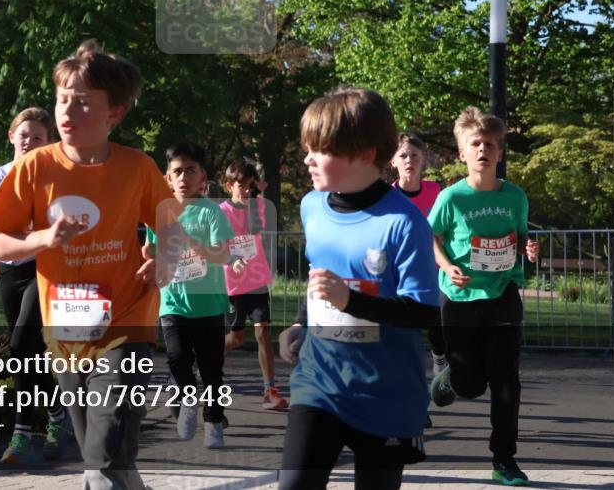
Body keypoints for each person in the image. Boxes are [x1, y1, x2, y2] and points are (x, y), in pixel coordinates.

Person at [0, 40, 187, 490]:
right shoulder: (34, 168)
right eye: (61, 100)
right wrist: (44, 238)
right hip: (67, 330)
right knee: (105, 456)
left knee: (103, 455)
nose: (66, 111)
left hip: (127, 324)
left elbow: (173, 227)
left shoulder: (136, 167)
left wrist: (164, 262)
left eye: (82, 102)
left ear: (114, 113)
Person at [277, 86, 440, 490]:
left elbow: (425, 311)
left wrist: (351, 301)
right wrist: (300, 323)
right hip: (319, 383)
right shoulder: (311, 206)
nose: (307, 159)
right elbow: (322, 278)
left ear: (366, 153)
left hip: (386, 395)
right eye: (307, 147)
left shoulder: (403, 222)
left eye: (320, 149)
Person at [428, 107, 539, 487]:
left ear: (499, 153)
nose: (482, 150)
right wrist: (445, 265)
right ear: (462, 153)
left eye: (489, 144)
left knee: (506, 380)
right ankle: (452, 378)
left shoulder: (515, 197)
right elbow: (432, 237)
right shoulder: (451, 198)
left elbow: (522, 237)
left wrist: (529, 252)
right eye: (475, 144)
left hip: (503, 294)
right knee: (471, 384)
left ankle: (504, 459)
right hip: (460, 298)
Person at [0, 107, 71, 464]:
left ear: (49, 143)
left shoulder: (53, 178)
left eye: (38, 137)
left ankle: (20, 434)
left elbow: (60, 230)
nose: (29, 141)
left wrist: (32, 234)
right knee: (26, 353)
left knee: (19, 345)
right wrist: (23, 229)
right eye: (24, 134)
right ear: (11, 136)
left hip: (43, 268)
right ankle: (59, 415)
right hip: (8, 269)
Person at [147, 142, 235, 448]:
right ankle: (188, 398)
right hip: (172, 301)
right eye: (177, 171)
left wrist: (192, 244)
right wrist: (149, 253)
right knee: (176, 359)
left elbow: (223, 254)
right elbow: (154, 251)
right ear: (167, 178)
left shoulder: (212, 212)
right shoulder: (161, 211)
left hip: (209, 304)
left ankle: (213, 423)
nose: (183, 177)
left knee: (212, 370)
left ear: (203, 177)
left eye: (190, 170)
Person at [220, 158, 287, 410]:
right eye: (241, 186)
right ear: (229, 186)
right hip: (233, 285)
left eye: (249, 186)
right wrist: (231, 258)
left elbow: (261, 221)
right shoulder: (221, 212)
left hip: (257, 281)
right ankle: (206, 361)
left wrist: (261, 193)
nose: (246, 191)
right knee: (236, 339)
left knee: (263, 332)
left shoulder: (258, 206)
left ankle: (269, 389)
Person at [391, 133, 446, 419]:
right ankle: (417, 403)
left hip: (434, 275)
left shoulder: (436, 191)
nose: (409, 161)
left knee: (438, 330)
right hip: (401, 279)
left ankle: (440, 358)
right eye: (403, 156)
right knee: (407, 345)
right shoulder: (388, 196)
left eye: (414, 155)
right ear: (393, 161)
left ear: (423, 159)